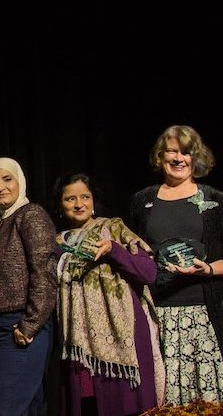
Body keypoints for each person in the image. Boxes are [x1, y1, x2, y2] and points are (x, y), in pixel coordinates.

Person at [127, 125, 223, 407]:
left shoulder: (215, 200)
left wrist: (207, 269)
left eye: (185, 152)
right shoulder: (141, 201)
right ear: (160, 157)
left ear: (196, 157)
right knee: (171, 404)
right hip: (161, 318)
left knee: (214, 405)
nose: (178, 158)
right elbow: (133, 254)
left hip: (210, 320)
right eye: (171, 151)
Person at [51, 173, 163, 415]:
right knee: (91, 405)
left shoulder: (114, 228)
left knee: (126, 407)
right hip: (80, 343)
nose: (79, 203)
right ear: (60, 206)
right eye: (70, 199)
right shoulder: (58, 244)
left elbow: (148, 272)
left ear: (93, 201)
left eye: (85, 197)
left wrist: (114, 250)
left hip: (122, 336)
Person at [0, 157, 58, 416]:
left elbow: (45, 271)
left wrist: (31, 323)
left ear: (20, 182)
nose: (0, 187)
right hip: (4, 328)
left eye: (7, 179)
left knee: (3, 410)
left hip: (22, 327)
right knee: (28, 409)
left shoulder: (30, 214)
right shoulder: (2, 222)